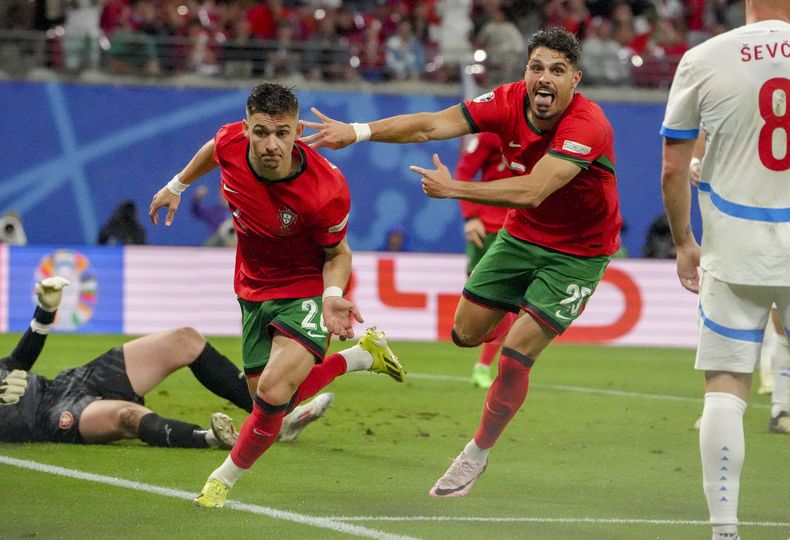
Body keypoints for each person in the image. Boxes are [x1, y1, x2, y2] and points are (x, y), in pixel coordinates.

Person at [302, 26, 622, 498]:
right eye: (537, 67)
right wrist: (358, 131)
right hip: (521, 236)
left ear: (575, 80)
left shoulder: (588, 124)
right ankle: (522, 309)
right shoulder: (506, 101)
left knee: (514, 357)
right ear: (525, 72)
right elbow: (434, 124)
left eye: (558, 70)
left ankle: (475, 453)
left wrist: (454, 189)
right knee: (464, 335)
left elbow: (535, 189)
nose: (545, 78)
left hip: (579, 252)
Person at [148, 82, 406, 509]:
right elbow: (214, 148)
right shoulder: (231, 141)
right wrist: (176, 186)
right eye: (262, 132)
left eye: (282, 133)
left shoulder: (326, 187)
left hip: (306, 286)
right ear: (247, 128)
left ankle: (221, 480)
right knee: (270, 403)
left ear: (297, 130)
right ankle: (362, 356)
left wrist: (331, 296)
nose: (272, 144)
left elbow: (338, 254)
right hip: (252, 285)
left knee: (271, 393)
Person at [659, 2, 790, 539]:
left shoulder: (704, 57)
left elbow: (672, 165)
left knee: (725, 388)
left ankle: (725, 531)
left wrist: (684, 240)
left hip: (735, 249)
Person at [0, 276, 333, 447]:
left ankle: (277, 416)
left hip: (66, 383)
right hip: (50, 418)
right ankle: (211, 438)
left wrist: (44, 313)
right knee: (127, 417)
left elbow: (16, 361)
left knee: (183, 340)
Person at [688, 132, 790, 435]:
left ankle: (780, 407)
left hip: (760, 222)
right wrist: (697, 158)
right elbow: (706, 130)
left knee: (776, 326)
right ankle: (729, 409)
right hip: (742, 223)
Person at [454, 131, 512, 389]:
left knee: (511, 305)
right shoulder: (491, 135)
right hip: (486, 229)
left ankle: (485, 367)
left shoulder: (545, 133)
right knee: (481, 305)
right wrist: (470, 217)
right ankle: (482, 357)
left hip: (520, 229)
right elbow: (463, 174)